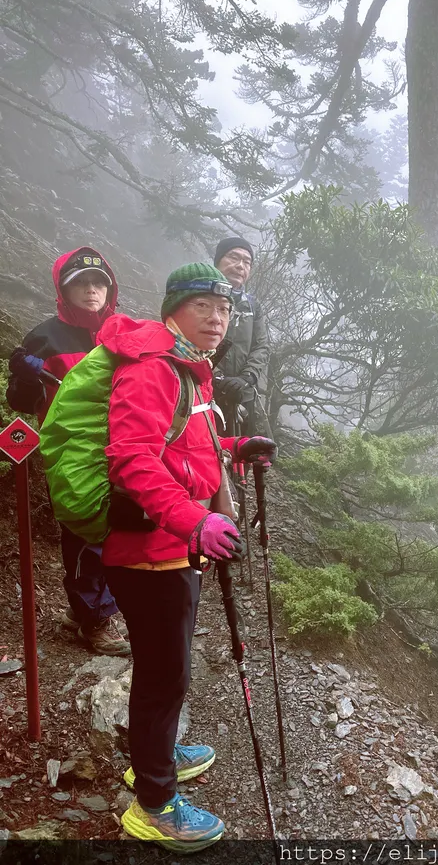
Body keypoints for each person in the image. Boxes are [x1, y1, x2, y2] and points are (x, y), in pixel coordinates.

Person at [89, 262, 276, 850]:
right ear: (173, 309)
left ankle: (156, 752)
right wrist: (195, 518)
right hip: (149, 550)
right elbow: (133, 460)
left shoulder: (188, 371)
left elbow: (182, 446)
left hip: (169, 545)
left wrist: (233, 446)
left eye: (224, 310)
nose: (218, 318)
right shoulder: (151, 370)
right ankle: (154, 803)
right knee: (164, 675)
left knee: (164, 669)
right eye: (203, 306)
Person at [6, 247, 130, 657]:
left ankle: (83, 611)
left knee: (106, 528)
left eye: (99, 283)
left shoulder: (121, 331)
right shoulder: (45, 336)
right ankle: (95, 620)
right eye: (81, 284)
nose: (92, 290)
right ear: (64, 289)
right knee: (88, 531)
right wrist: (23, 374)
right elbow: (22, 402)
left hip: (120, 443)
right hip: (71, 450)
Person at [211, 237, 270, 437]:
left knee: (242, 455)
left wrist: (247, 377)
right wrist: (216, 377)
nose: (240, 266)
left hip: (243, 394)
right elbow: (189, 338)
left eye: (247, 262)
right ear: (218, 260)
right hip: (205, 390)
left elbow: (262, 346)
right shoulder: (200, 296)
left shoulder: (253, 306)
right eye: (234, 257)